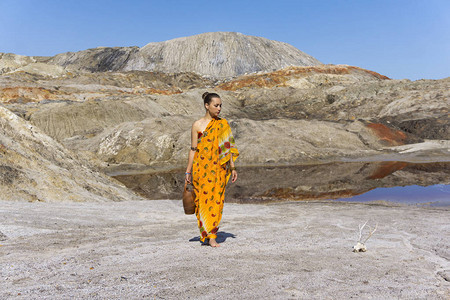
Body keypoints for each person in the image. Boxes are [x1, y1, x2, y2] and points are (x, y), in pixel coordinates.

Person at [185, 92, 239, 247]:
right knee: (202, 201)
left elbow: (227, 149)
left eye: (220, 105)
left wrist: (233, 167)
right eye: (216, 105)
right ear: (206, 106)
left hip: (219, 170)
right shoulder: (197, 125)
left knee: (216, 201)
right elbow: (193, 149)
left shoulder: (223, 124)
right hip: (201, 169)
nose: (219, 108)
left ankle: (212, 235)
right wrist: (188, 171)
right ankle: (206, 232)